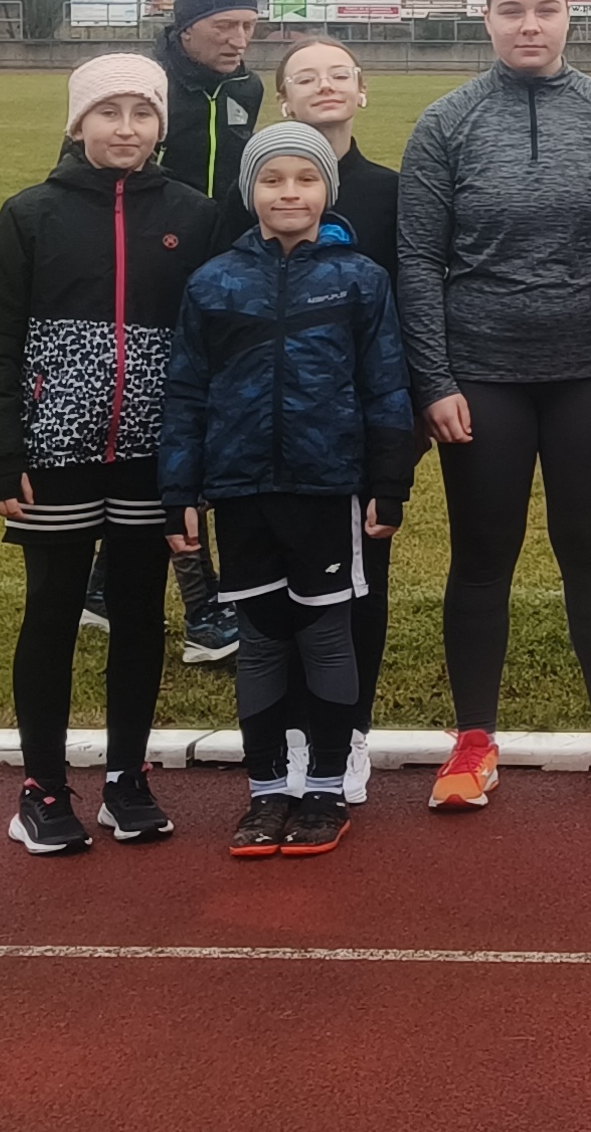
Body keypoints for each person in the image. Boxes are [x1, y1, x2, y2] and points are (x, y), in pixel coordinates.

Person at [398, 0, 591, 809]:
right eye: (512, 10)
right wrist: (434, 378)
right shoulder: (445, 123)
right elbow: (418, 261)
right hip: (481, 376)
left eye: (545, 9)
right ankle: (473, 741)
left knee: (589, 548)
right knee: (483, 556)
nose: (529, 25)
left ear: (568, 16)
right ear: (485, 17)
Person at [0, 54, 223, 855]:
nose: (126, 128)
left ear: (161, 126)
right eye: (108, 112)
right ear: (78, 123)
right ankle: (42, 787)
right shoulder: (30, 213)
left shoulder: (194, 214)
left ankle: (125, 777)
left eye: (142, 113)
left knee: (141, 614)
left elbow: (213, 343)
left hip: (153, 455)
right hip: (55, 454)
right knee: (52, 612)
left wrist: (195, 460)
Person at [160, 123, 415, 858]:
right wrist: (180, 488)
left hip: (327, 488)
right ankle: (267, 789)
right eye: (272, 180)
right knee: (263, 640)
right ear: (251, 192)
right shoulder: (213, 282)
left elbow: (385, 387)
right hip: (241, 490)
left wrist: (388, 481)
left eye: (305, 178)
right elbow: (186, 392)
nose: (289, 193)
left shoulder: (360, 279)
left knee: (327, 634)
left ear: (326, 189)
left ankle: (326, 786)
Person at [276, 39, 403, 803]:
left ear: (362, 91)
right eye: (304, 76)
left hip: (361, 432)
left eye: (338, 74)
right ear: (282, 99)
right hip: (270, 435)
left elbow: (413, 309)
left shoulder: (392, 192)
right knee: (281, 590)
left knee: (360, 585)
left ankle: (348, 735)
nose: (323, 85)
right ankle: (291, 737)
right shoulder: (254, 191)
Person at [132, 0, 265, 665]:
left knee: (201, 434)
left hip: (223, 283)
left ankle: (106, 586)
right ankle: (204, 612)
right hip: (149, 283)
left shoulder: (247, 89)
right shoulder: (145, 85)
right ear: (186, 28)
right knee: (178, 437)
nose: (239, 40)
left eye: (248, 27)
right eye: (225, 27)